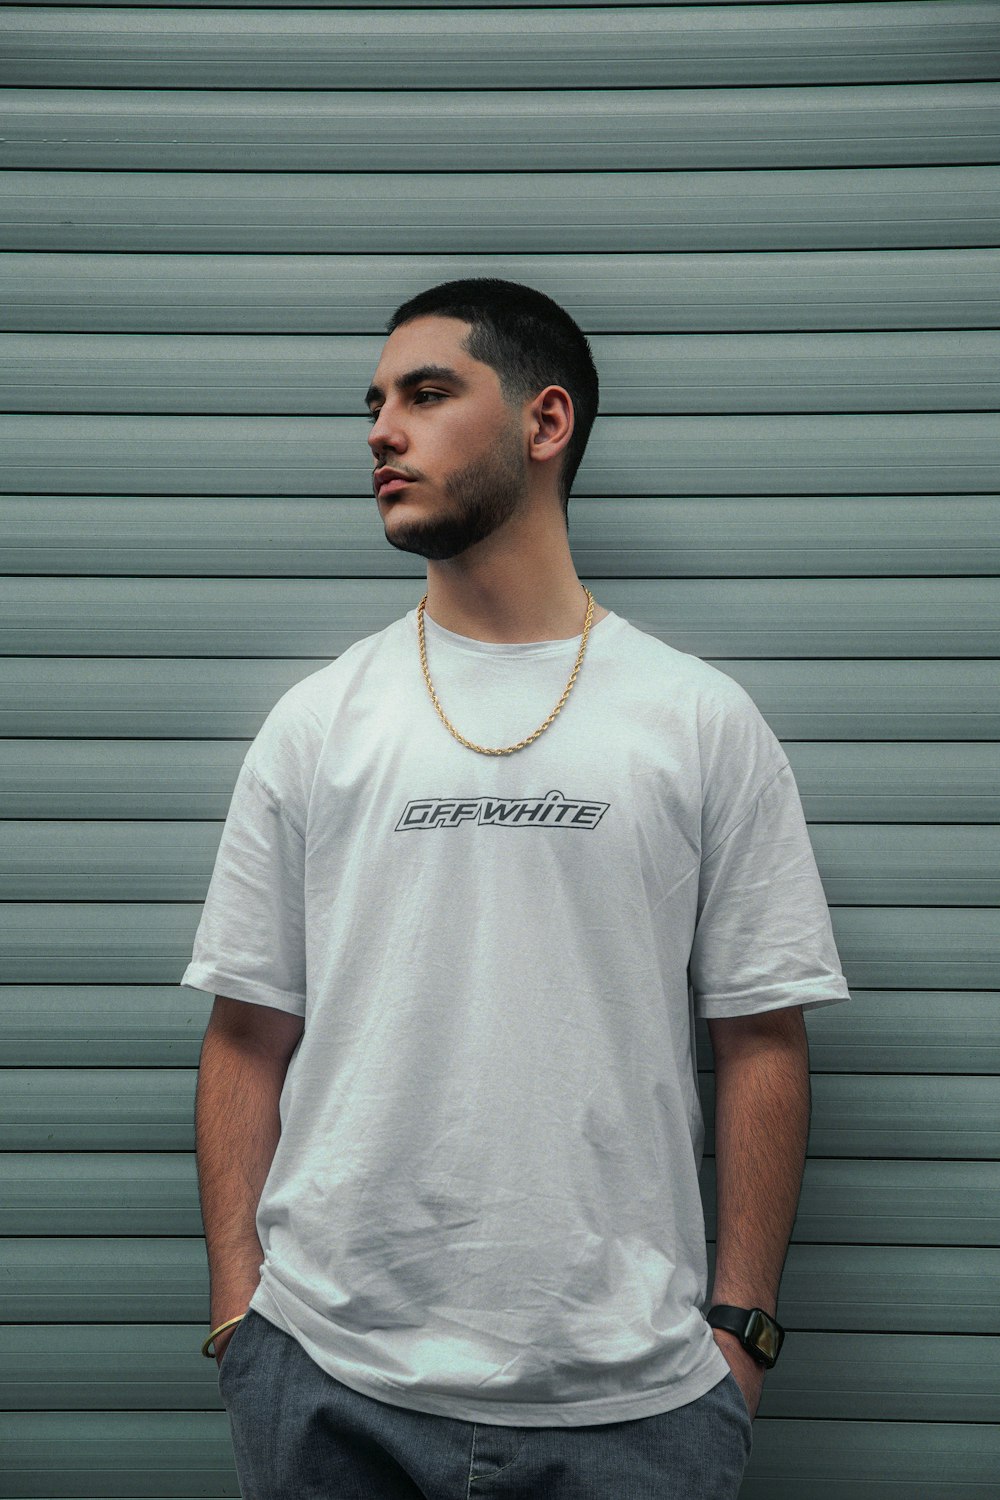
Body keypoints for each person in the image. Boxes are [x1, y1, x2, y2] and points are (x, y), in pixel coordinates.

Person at [183, 278, 851, 1498]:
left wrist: (739, 1333)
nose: (382, 430)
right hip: (329, 1381)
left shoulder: (699, 720)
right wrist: (244, 1322)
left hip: (636, 1403)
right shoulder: (317, 721)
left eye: (428, 393)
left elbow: (763, 1036)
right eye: (375, 402)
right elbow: (242, 1034)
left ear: (546, 424)